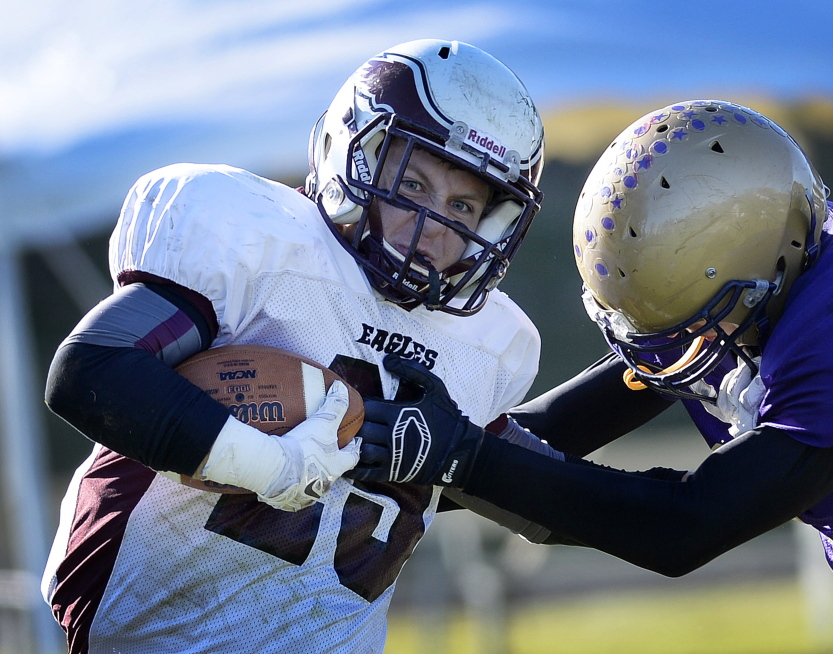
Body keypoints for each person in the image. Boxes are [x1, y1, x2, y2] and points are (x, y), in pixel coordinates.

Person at [350, 99, 833, 652]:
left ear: (767, 273)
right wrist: (363, 436)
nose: (669, 354)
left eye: (687, 324)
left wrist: (456, 456)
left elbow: (683, 526)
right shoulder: (745, 276)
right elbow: (541, 443)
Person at [41, 38, 546, 654]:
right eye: (412, 185)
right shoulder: (260, 242)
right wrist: (268, 467)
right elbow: (91, 370)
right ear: (347, 152)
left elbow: (532, 487)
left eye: (463, 205)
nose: (432, 228)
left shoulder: (487, 342)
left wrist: (642, 370)